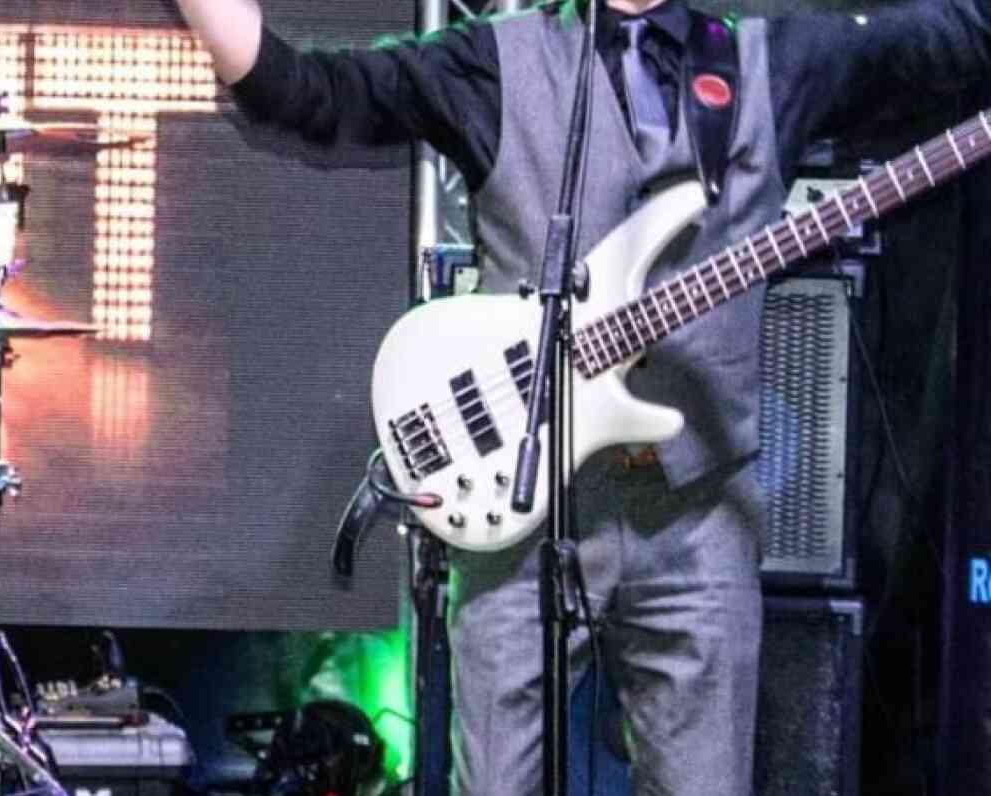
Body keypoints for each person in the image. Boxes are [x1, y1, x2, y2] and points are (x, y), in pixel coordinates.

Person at [171, 0, 991, 791]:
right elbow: (305, 93)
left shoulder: (771, 63)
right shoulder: (496, 59)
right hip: (518, 511)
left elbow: (953, 38)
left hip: (697, 519)